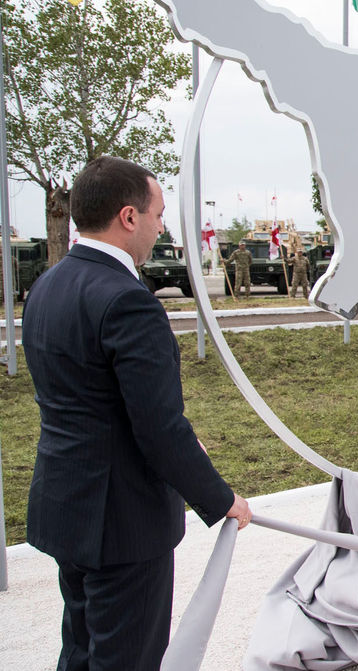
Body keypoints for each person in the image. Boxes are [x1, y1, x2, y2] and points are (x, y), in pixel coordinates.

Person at [23, 156, 252, 670]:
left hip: (67, 503)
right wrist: (221, 499)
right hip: (121, 520)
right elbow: (159, 429)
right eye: (158, 214)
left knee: (80, 650)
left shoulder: (46, 287)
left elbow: (87, 397)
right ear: (129, 217)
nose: (160, 226)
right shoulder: (129, 301)